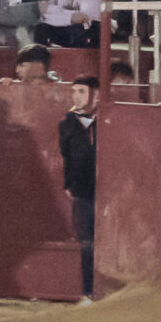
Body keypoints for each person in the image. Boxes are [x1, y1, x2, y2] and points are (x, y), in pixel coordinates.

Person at [59, 77, 98, 303]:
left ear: (96, 94)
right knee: (86, 242)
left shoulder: (107, 119)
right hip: (82, 191)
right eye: (74, 91)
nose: (76, 96)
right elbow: (67, 158)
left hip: (107, 192)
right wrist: (69, 185)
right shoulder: (67, 124)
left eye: (81, 91)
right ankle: (87, 291)